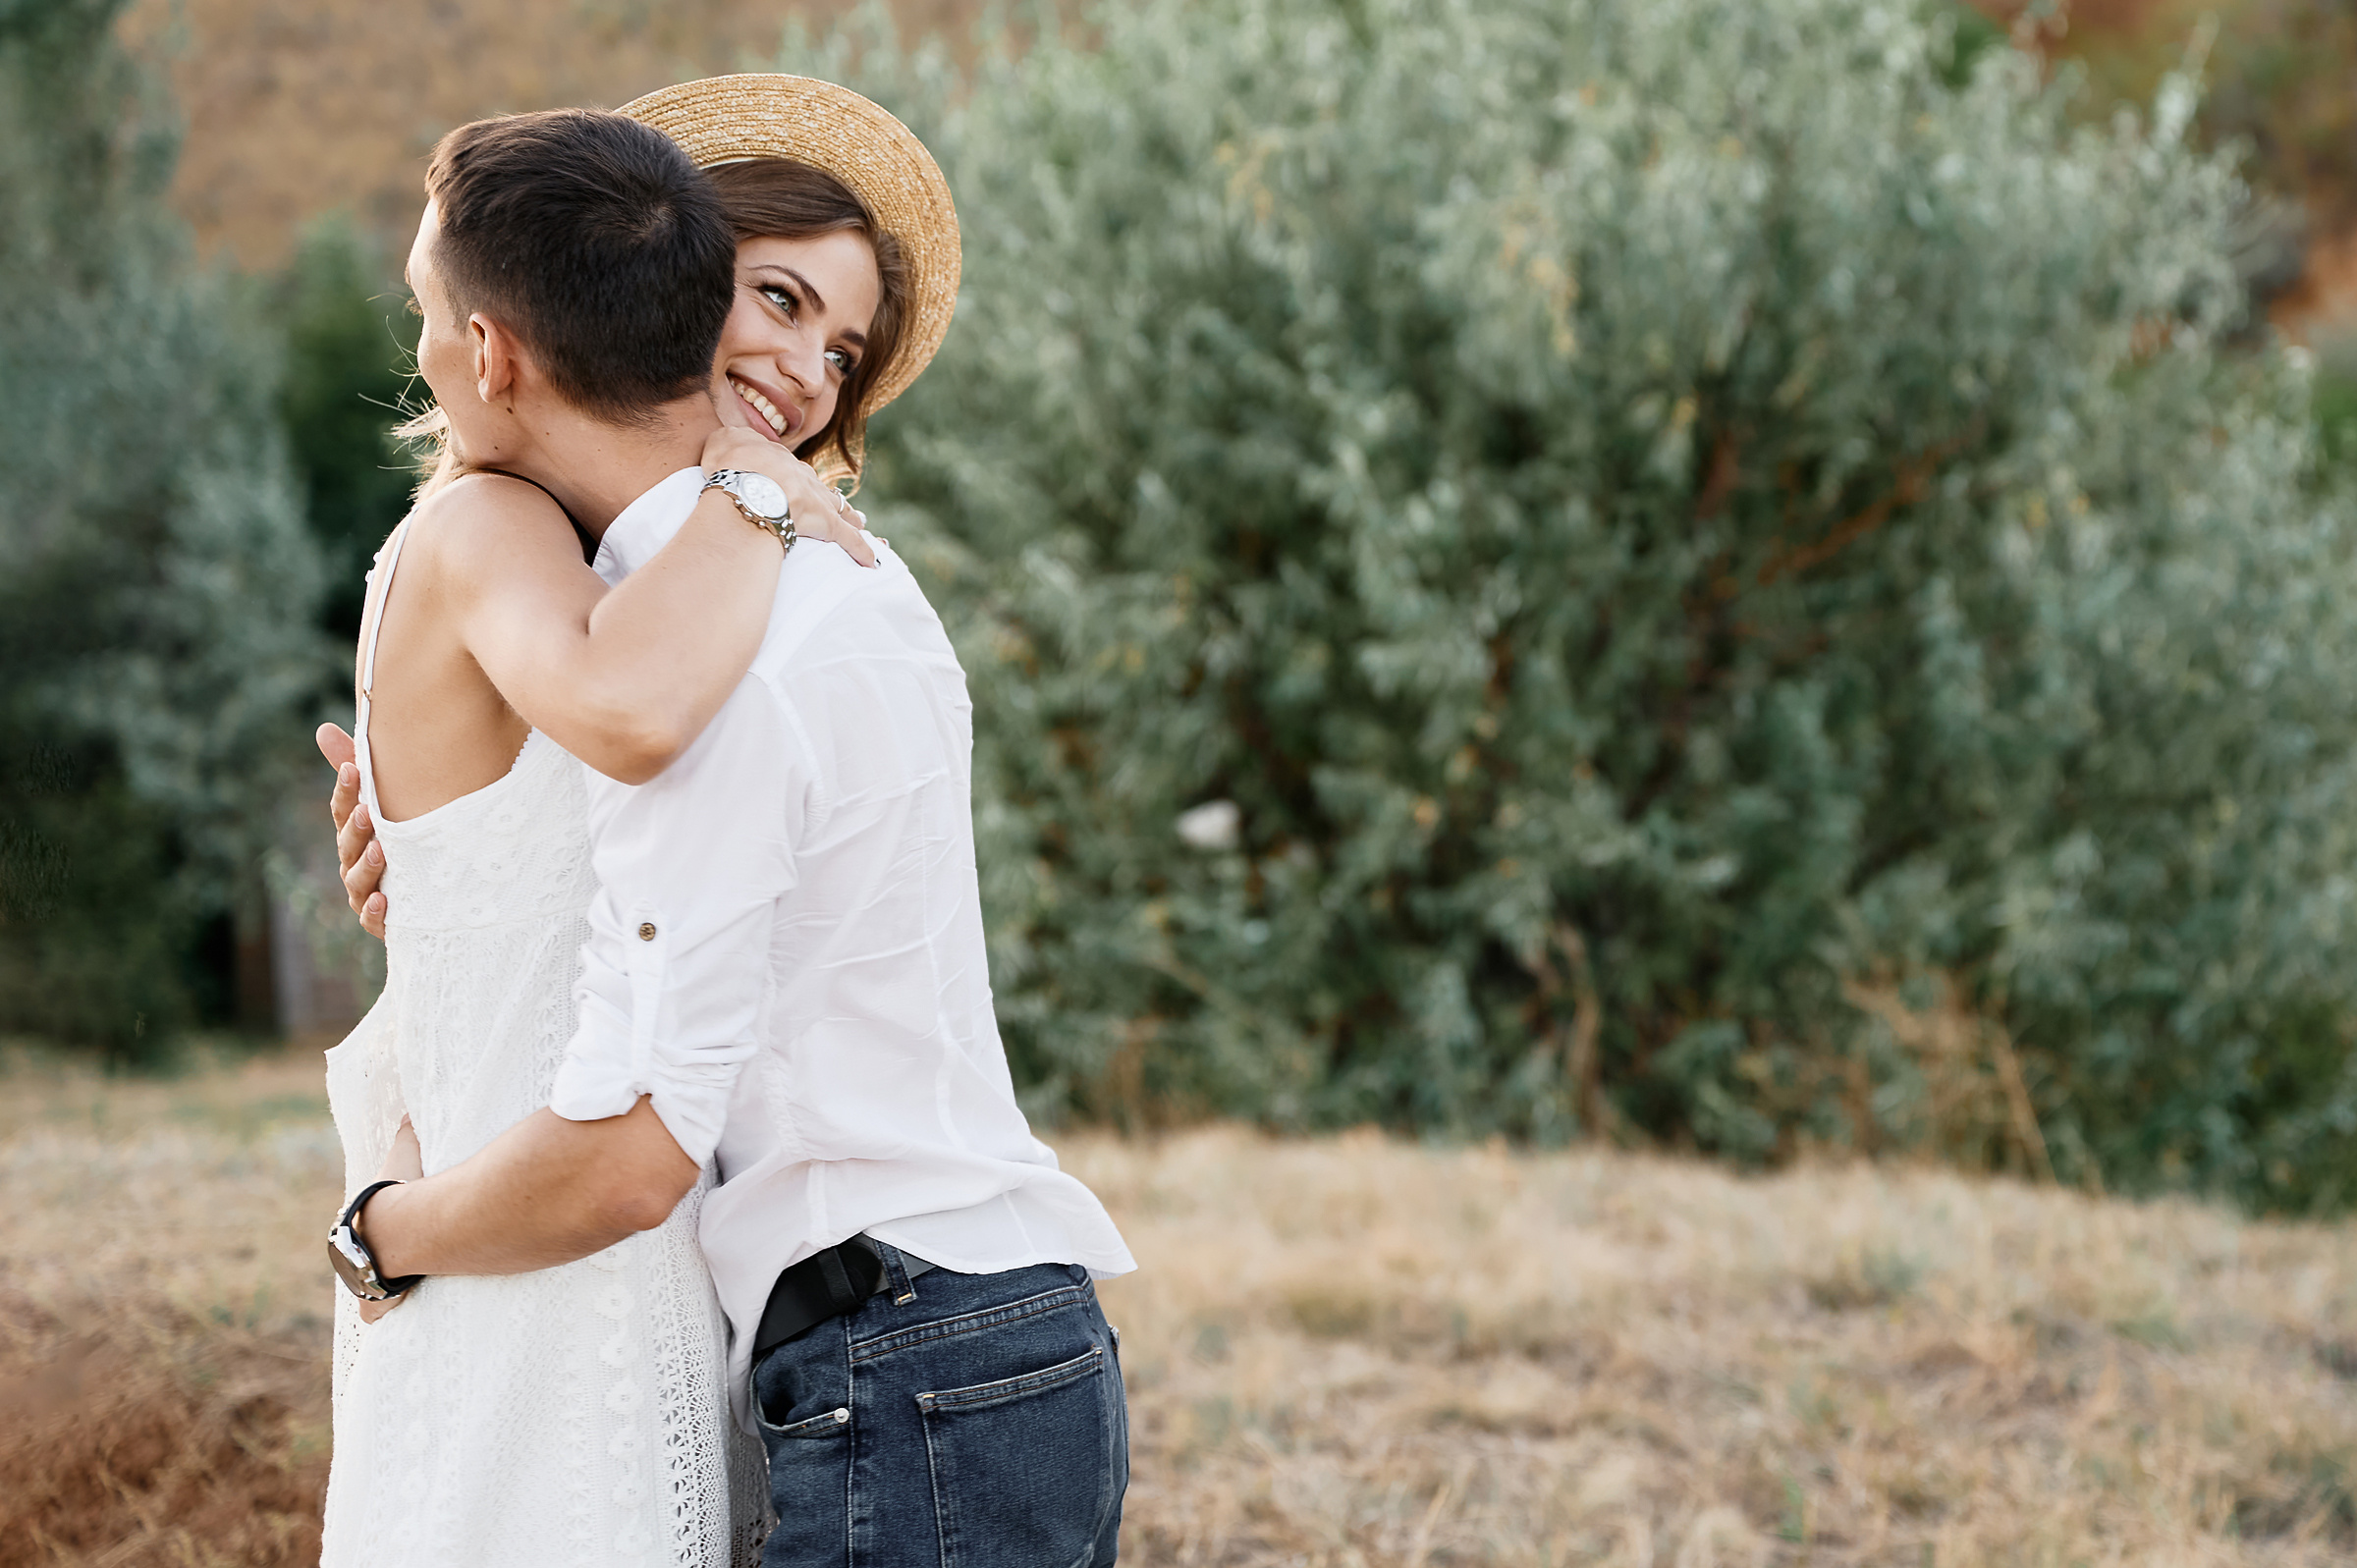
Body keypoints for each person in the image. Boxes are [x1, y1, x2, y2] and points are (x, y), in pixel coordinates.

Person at [323, 76, 1139, 1568]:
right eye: (776, 297)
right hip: (872, 1323)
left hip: (860, 1318)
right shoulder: (724, 587)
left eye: (841, 350)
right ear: (663, 281)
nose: (808, 373)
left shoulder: (726, 614)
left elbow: (636, 1146)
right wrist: (424, 846)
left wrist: (381, 1232)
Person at [315, 102, 877, 1565]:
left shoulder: (666, 553)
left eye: (429, 310)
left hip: (637, 1244)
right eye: (771, 301)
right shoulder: (487, 523)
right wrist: (765, 487)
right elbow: (621, 715)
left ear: (491, 351)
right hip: (531, 1237)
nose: (796, 371)